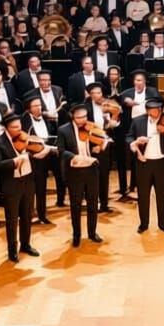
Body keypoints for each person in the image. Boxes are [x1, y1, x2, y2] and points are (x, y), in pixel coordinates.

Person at [0, 113, 37, 263]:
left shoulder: (24, 138)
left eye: (20, 126)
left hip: (27, 181)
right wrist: (15, 161)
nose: (19, 130)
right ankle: (12, 250)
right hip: (11, 184)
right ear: (6, 128)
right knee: (12, 219)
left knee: (27, 215)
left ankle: (26, 244)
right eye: (15, 127)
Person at [57, 104, 104, 248]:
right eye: (79, 117)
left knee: (92, 202)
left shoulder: (92, 127)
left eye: (85, 116)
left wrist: (99, 147)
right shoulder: (63, 130)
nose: (83, 120)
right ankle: (76, 235)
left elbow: (99, 144)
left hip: (91, 169)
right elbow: (61, 151)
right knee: (76, 205)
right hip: (75, 171)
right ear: (72, 117)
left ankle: (92, 232)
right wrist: (75, 157)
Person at [129, 97, 164, 234]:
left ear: (161, 110)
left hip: (162, 163)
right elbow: (129, 137)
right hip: (144, 163)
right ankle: (144, 223)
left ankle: (162, 222)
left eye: (156, 110)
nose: (154, 113)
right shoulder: (138, 122)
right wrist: (136, 143)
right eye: (151, 110)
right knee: (143, 195)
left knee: (162, 195)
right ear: (147, 111)